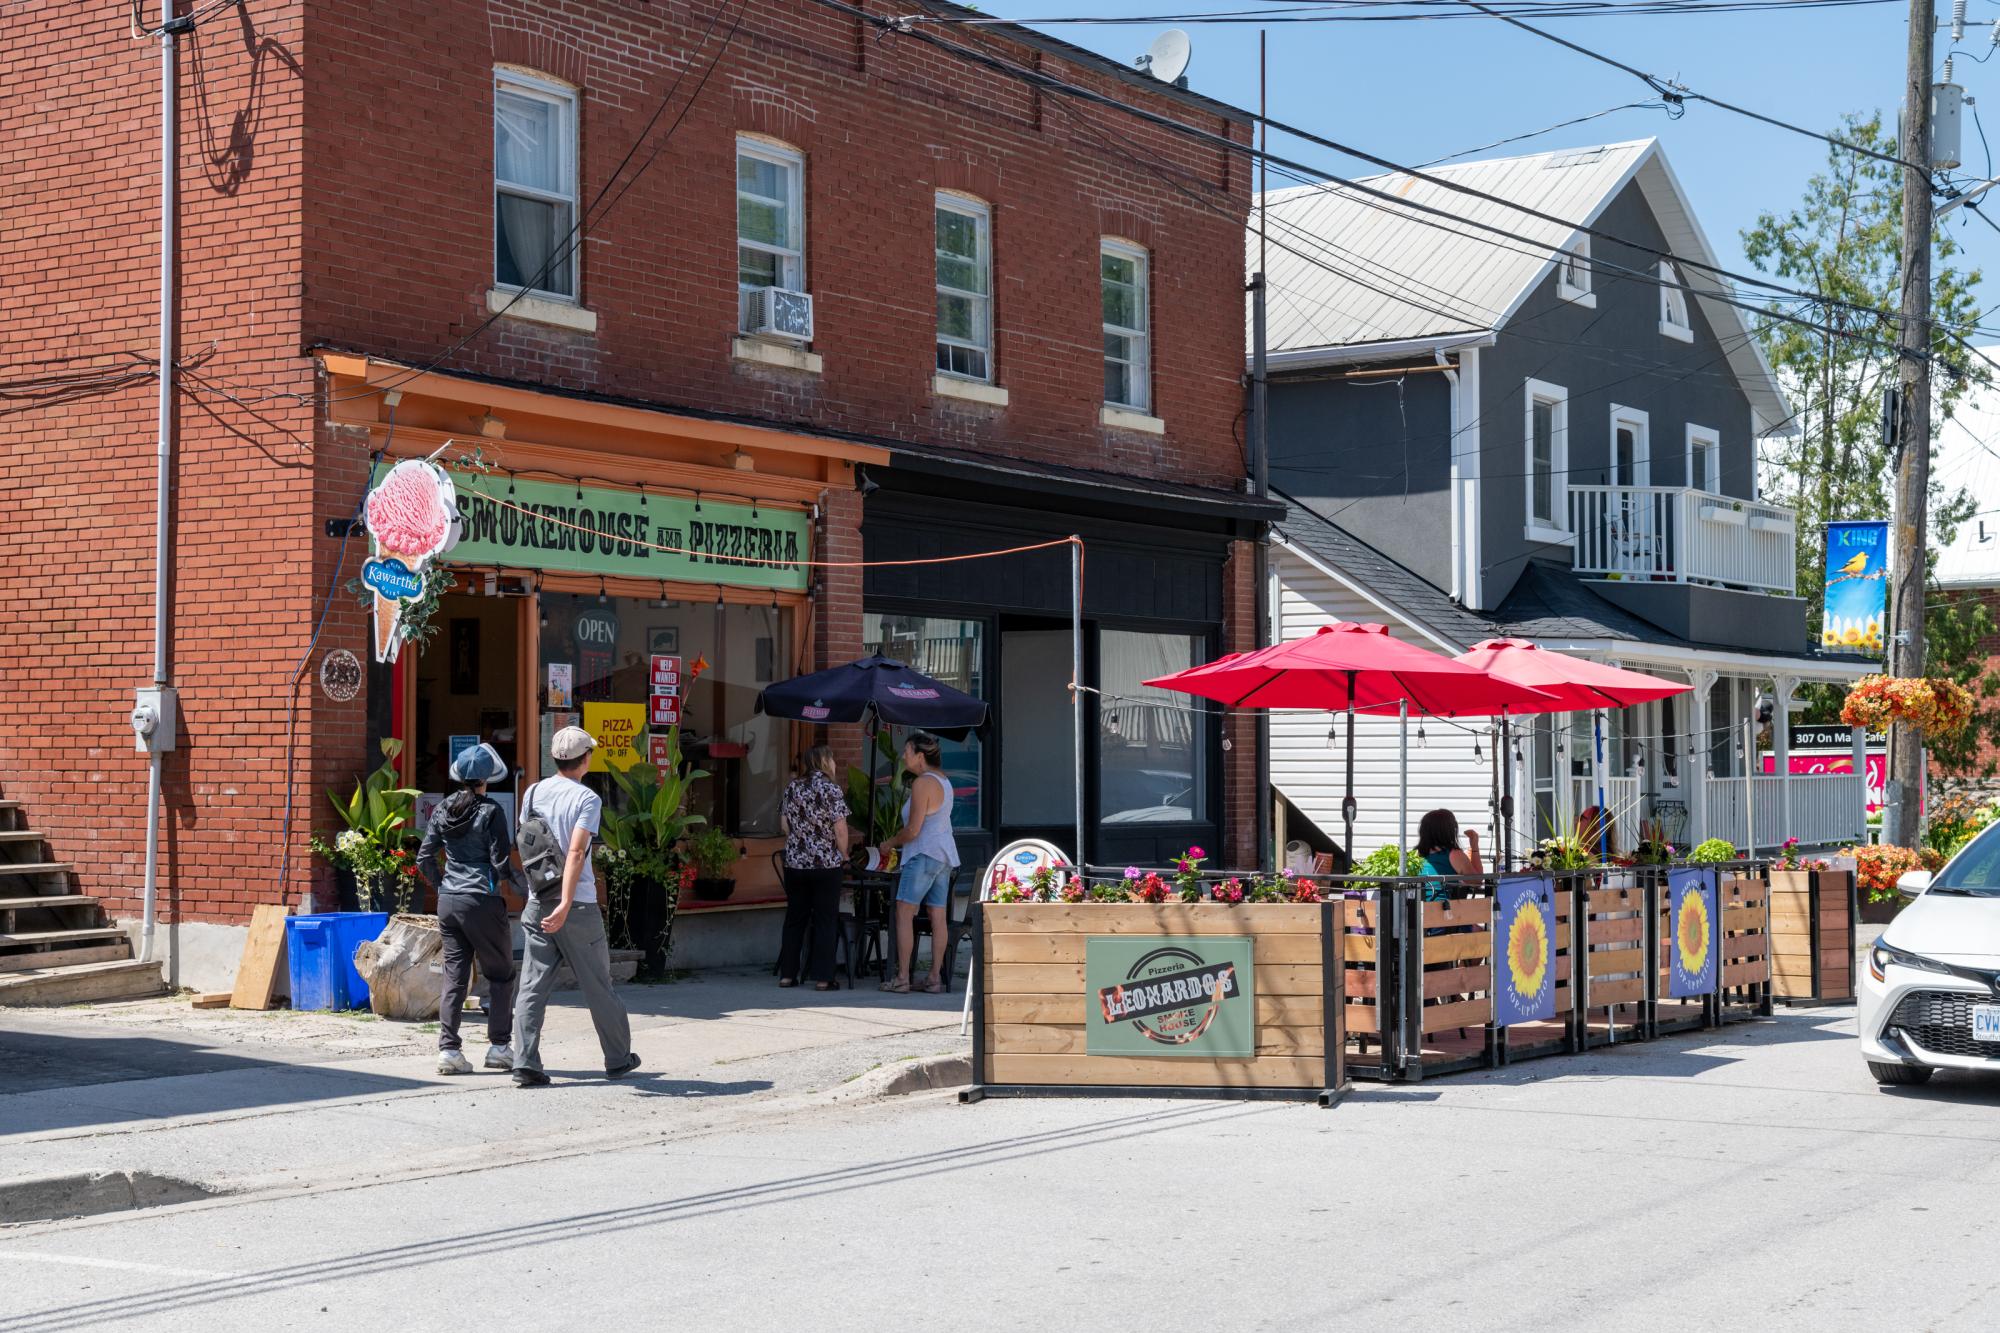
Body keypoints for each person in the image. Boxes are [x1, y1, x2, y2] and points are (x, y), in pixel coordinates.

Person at [510, 726, 641, 1088]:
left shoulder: (533, 792)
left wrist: (542, 895)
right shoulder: (587, 799)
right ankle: (617, 1059)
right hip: (577, 906)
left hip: (538, 902)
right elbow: (577, 851)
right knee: (598, 984)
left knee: (532, 985)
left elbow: (528, 843)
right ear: (585, 760)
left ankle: (524, 1061)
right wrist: (567, 901)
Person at [415, 742, 523, 1076]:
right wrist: (528, 888)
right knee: (501, 975)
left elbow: (423, 858)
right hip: (483, 900)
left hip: (449, 902)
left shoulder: (444, 809)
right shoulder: (491, 811)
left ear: (460, 777)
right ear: (486, 778)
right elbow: (500, 862)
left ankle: (449, 1051)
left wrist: (443, 885)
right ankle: (500, 1047)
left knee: (454, 978)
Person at [878, 731, 958, 994]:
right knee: (938, 916)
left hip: (923, 854)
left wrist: (890, 842)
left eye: (907, 752)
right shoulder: (944, 781)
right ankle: (934, 977)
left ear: (920, 756)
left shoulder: (922, 783)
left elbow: (913, 830)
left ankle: (902, 977)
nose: (903, 756)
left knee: (904, 912)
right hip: (944, 854)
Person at [777, 744, 850, 991]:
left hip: (796, 864)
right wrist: (844, 854)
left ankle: (787, 975)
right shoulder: (832, 789)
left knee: (795, 918)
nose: (835, 764)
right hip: (826, 864)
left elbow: (784, 826)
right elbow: (840, 829)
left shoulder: (792, 787)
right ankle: (823, 977)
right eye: (832, 759)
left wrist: (801, 837)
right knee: (825, 920)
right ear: (825, 762)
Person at [1415, 808, 1483, 901]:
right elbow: (1477, 881)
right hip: (1442, 910)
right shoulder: (1454, 854)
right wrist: (1474, 846)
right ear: (1448, 830)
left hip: (1417, 910)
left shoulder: (1416, 854)